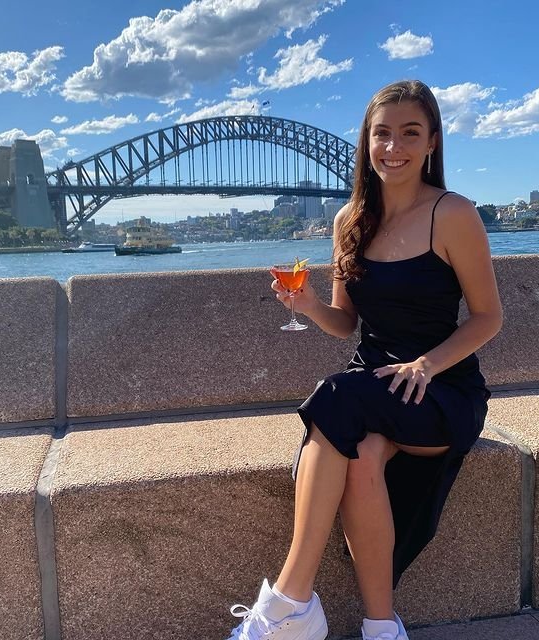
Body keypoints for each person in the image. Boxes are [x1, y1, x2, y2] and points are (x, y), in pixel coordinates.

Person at [225, 79, 503, 640]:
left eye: (410, 133)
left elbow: (487, 317)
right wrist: (309, 306)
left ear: (432, 142)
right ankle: (382, 627)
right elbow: (345, 323)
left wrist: (426, 364)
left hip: (439, 389)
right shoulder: (349, 220)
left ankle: (288, 605)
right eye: (382, 134)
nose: (393, 147)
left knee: (335, 398)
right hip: (372, 386)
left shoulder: (452, 213)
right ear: (366, 141)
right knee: (362, 454)